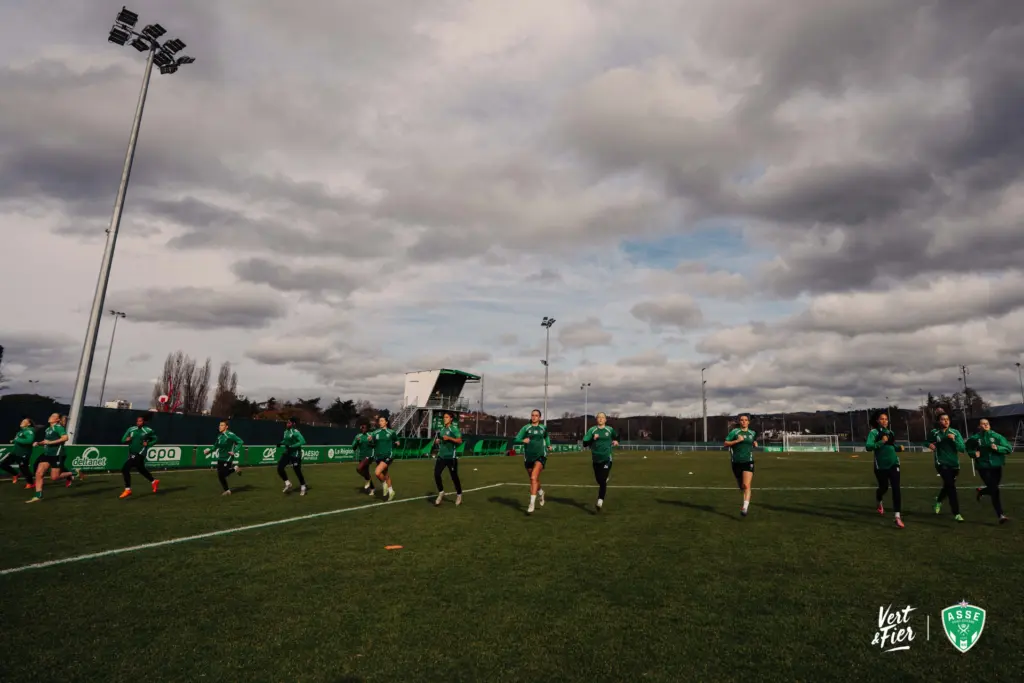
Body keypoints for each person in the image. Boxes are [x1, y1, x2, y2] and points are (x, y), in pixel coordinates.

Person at [968, 418, 1012, 524]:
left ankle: (982, 491)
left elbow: (1008, 449)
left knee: (994, 488)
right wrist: (974, 453)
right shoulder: (975, 438)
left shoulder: (997, 437)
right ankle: (1000, 515)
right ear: (979, 426)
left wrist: (998, 448)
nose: (985, 425)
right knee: (995, 490)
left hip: (997, 466)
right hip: (983, 466)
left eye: (986, 423)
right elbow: (968, 447)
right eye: (982, 424)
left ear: (989, 425)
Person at [26, 413, 76, 503]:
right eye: (50, 415)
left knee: (54, 477)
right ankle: (38, 496)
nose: (50, 417)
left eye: (53, 416)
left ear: (57, 420)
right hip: (46, 454)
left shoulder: (58, 427)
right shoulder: (48, 429)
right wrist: (38, 443)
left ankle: (73, 472)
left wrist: (50, 442)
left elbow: (65, 438)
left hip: (56, 454)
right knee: (39, 473)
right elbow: (46, 441)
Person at [866, 411, 905, 528]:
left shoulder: (890, 432)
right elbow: (868, 447)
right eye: (882, 419)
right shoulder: (874, 433)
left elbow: (891, 446)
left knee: (896, 489)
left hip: (894, 463)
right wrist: (881, 442)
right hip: (881, 466)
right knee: (883, 487)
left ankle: (897, 516)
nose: (884, 421)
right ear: (877, 421)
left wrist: (899, 448)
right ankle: (879, 500)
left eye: (886, 419)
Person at [929, 409, 965, 522]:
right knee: (951, 488)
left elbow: (962, 449)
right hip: (941, 463)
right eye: (943, 419)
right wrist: (930, 445)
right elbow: (926, 441)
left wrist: (954, 440)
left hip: (954, 464)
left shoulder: (955, 433)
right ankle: (957, 513)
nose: (945, 421)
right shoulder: (934, 433)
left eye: (947, 419)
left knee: (947, 486)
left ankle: (938, 501)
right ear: (939, 421)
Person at [515, 409, 552, 514]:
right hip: (528, 457)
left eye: (536, 415)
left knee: (533, 477)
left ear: (540, 417)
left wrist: (548, 445)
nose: (534, 417)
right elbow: (516, 439)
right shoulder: (526, 428)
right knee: (533, 479)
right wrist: (523, 440)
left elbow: (546, 437)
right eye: (532, 415)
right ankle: (541, 492)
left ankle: (531, 503)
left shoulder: (543, 428)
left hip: (541, 456)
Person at [582, 412, 618, 512]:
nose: (601, 419)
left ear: (605, 420)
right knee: (599, 480)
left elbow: (617, 436)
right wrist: (593, 439)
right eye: (599, 417)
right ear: (596, 419)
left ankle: (600, 501)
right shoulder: (592, 430)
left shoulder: (609, 429)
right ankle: (604, 479)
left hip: (607, 458)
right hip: (595, 459)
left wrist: (616, 441)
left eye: (603, 417)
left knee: (602, 481)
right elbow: (585, 443)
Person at [723, 414, 758, 517]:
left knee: (746, 485)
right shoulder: (734, 432)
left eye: (745, 420)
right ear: (739, 422)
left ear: (748, 422)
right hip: (736, 462)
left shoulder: (752, 433)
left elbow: (753, 441)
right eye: (741, 420)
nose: (743, 422)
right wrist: (737, 441)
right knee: (742, 486)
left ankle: (745, 508)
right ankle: (745, 499)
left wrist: (755, 444)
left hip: (748, 461)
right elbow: (725, 443)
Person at [119, 414, 159, 498]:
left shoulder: (148, 430)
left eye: (140, 421)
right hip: (132, 452)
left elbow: (155, 439)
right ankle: (153, 481)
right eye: (137, 421)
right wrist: (126, 440)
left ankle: (128, 489)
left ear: (143, 422)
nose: (138, 422)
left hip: (141, 452)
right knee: (141, 469)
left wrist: (148, 443)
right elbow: (123, 440)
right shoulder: (131, 429)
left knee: (125, 469)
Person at [203, 420, 244, 495]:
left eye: (222, 425)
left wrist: (234, 451)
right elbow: (215, 446)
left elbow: (240, 442)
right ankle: (227, 491)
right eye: (219, 425)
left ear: (226, 427)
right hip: (220, 457)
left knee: (224, 473)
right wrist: (209, 451)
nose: (220, 426)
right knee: (220, 475)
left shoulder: (230, 434)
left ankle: (235, 468)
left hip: (228, 457)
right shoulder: (219, 436)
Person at [433, 412, 464, 506]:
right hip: (441, 456)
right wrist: (438, 441)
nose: (444, 419)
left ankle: (459, 495)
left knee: (454, 477)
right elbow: (442, 440)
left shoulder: (454, 429)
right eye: (444, 417)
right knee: (436, 474)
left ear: (451, 419)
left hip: (451, 457)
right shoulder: (442, 429)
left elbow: (459, 440)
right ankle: (441, 492)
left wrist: (450, 438)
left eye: (446, 417)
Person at [370, 416, 400, 501]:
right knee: (386, 475)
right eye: (379, 421)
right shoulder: (375, 433)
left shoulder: (391, 432)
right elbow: (372, 444)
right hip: (378, 457)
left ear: (386, 422)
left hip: (388, 456)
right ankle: (391, 491)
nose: (380, 422)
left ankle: (384, 484)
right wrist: (370, 440)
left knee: (377, 472)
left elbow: (397, 441)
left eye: (382, 421)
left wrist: (397, 443)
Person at [277, 417, 308, 495]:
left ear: (293, 424)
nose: (287, 424)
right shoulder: (285, 432)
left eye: (289, 423)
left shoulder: (296, 432)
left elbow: (303, 441)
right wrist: (281, 443)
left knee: (297, 471)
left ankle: (303, 486)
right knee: (280, 468)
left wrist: (292, 446)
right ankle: (287, 483)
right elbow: (286, 440)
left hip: (295, 454)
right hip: (287, 453)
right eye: (287, 422)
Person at [2, 417, 37, 485]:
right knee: (3, 465)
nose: (22, 422)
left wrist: (16, 440)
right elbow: (20, 440)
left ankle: (31, 483)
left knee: (24, 469)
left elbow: (29, 441)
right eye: (22, 421)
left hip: (23, 454)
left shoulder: (29, 431)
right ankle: (15, 474)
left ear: (29, 424)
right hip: (15, 453)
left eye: (24, 421)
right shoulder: (20, 432)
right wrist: (14, 441)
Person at [353, 424, 376, 495]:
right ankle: (372, 488)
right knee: (366, 473)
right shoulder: (358, 436)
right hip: (361, 457)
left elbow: (374, 445)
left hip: (369, 455)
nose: (363, 429)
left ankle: (368, 480)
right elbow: (353, 447)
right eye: (362, 428)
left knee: (359, 469)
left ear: (367, 428)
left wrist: (370, 441)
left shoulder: (370, 435)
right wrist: (356, 442)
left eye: (364, 428)